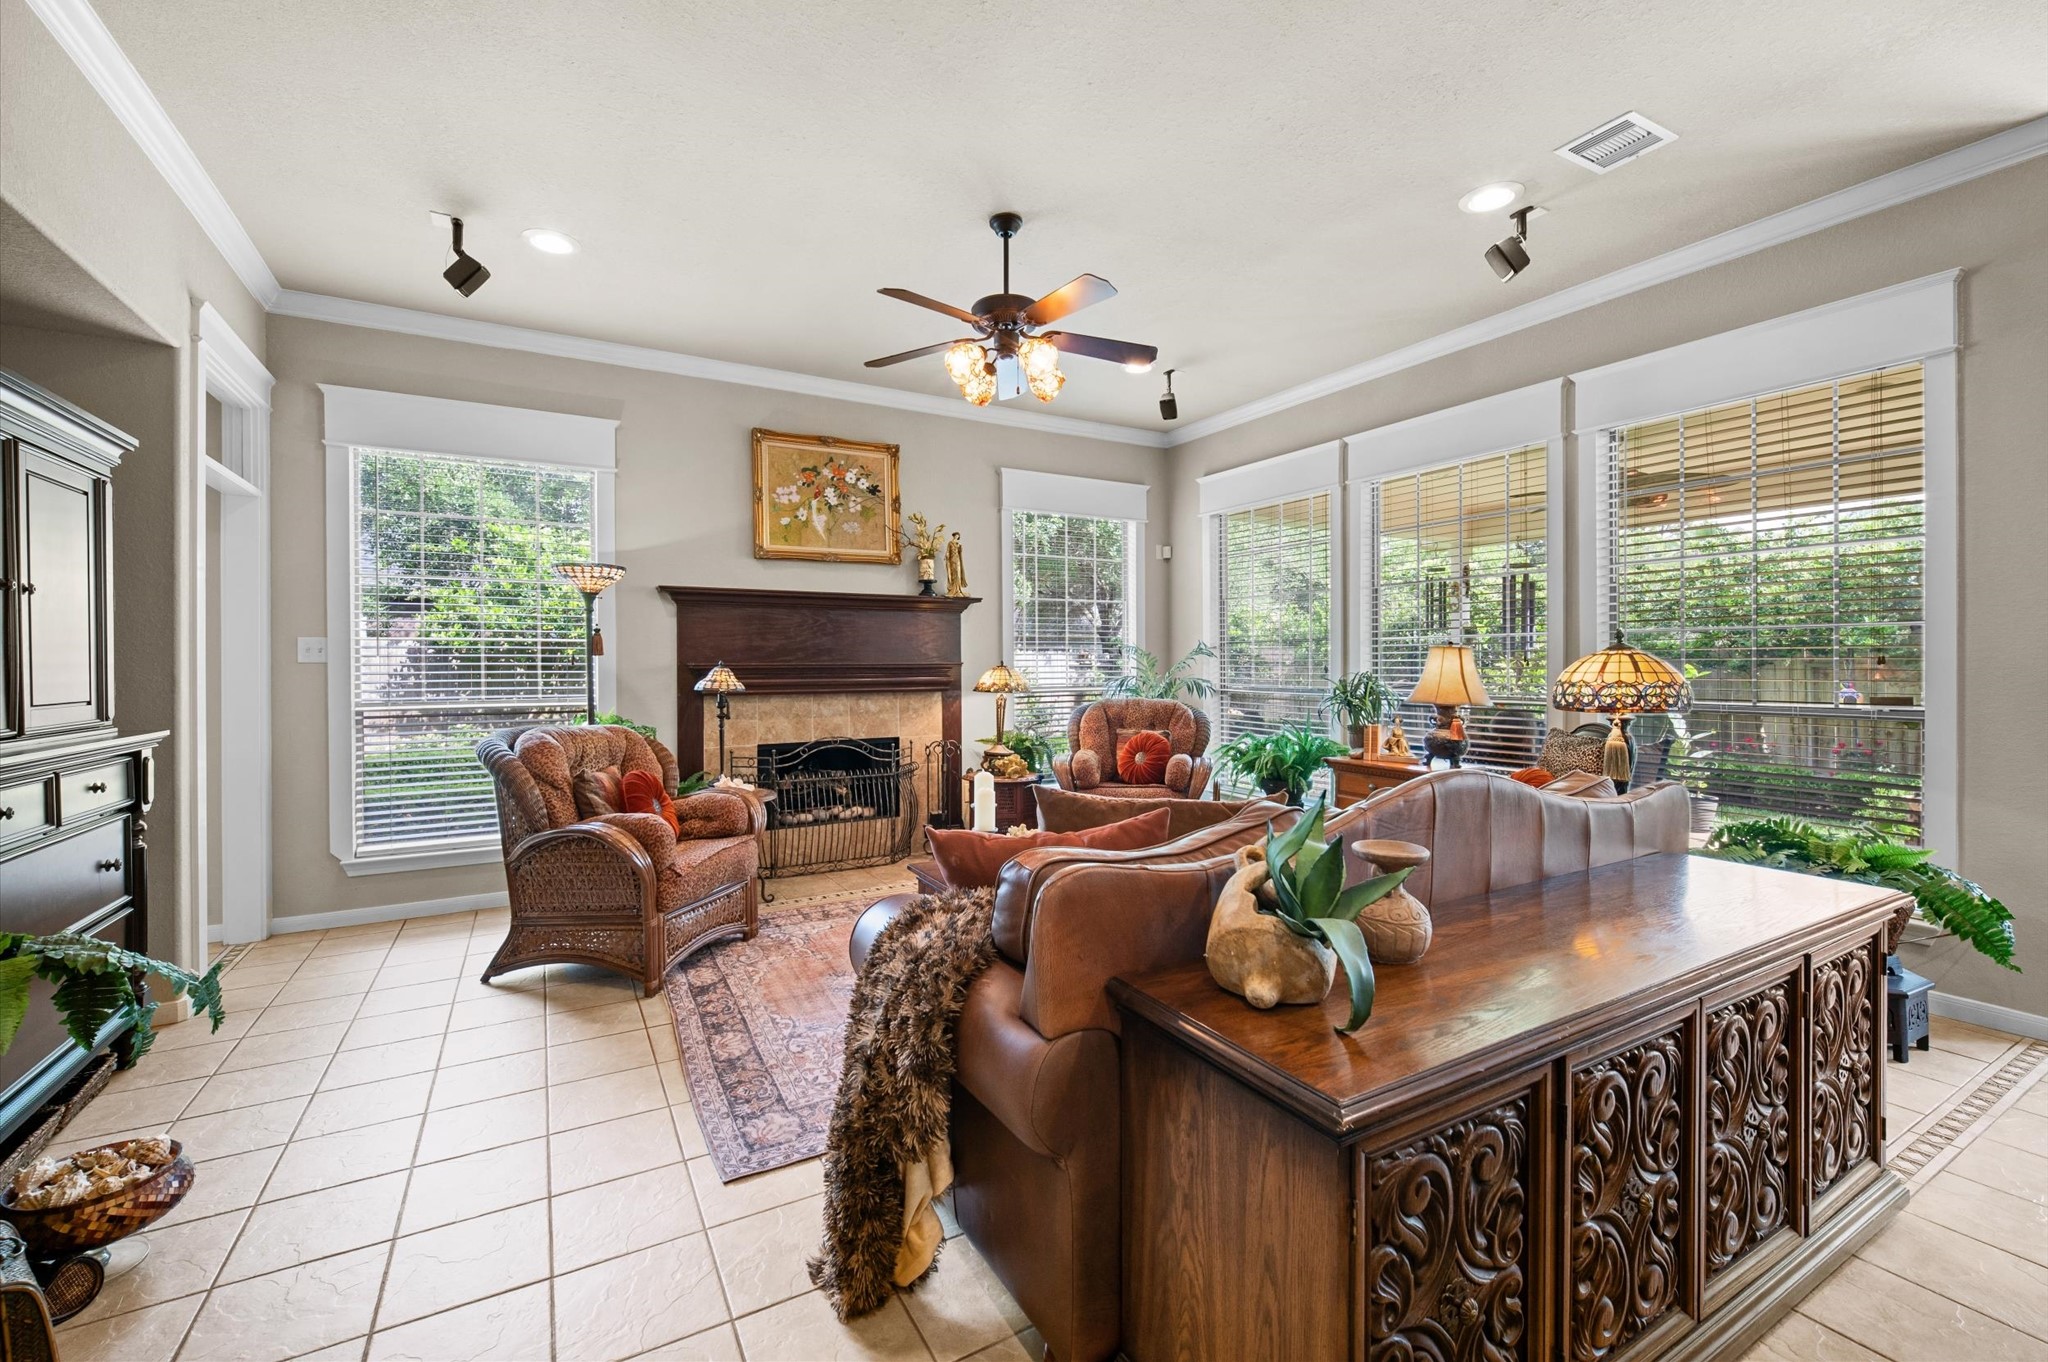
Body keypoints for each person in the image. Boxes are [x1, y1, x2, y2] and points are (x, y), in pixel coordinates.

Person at [944, 532, 968, 597]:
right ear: (954, 536)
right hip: (952, 560)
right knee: (954, 573)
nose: (956, 537)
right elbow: (948, 551)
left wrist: (960, 548)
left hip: (957, 560)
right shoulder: (950, 543)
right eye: (956, 535)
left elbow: (960, 552)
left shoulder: (958, 544)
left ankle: (958, 590)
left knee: (958, 573)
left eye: (958, 536)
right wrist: (946, 555)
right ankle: (954, 589)